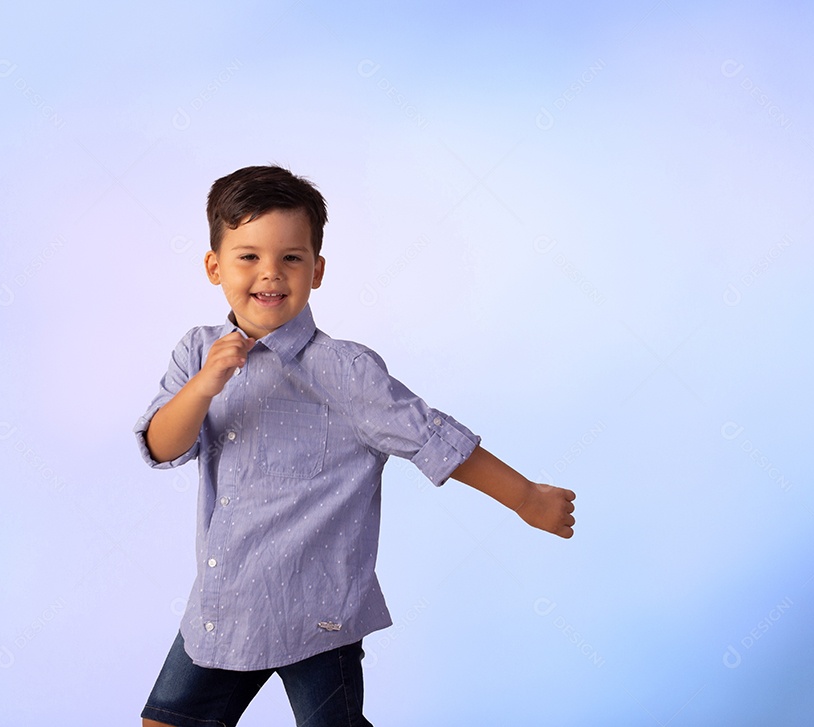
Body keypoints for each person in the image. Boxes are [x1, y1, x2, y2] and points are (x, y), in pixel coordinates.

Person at [134, 165, 576, 727]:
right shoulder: (197, 351)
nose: (270, 273)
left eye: (290, 258)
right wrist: (203, 387)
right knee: (167, 722)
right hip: (225, 604)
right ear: (214, 266)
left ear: (316, 271)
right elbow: (162, 444)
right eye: (249, 256)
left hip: (319, 612)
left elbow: (432, 438)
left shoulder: (346, 370)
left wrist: (526, 497)